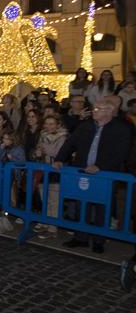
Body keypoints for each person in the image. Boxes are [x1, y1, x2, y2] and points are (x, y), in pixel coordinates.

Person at [54, 99, 133, 253]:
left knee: (101, 207)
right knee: (81, 204)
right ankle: (80, 237)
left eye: (98, 109)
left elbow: (122, 153)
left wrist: (101, 167)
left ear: (109, 111)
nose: (94, 111)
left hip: (105, 175)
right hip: (82, 172)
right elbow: (70, 143)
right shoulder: (86, 125)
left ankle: (99, 240)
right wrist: (59, 159)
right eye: (94, 108)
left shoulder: (122, 129)